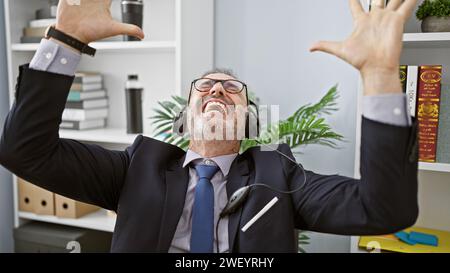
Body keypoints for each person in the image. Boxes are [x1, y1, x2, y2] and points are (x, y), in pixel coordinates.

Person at [0, 0, 419, 253]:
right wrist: (65, 42)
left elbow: (383, 209)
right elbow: (24, 150)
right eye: (205, 86)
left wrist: (380, 75)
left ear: (249, 120)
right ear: (184, 119)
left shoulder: (280, 175)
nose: (218, 89)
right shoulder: (136, 168)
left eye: (232, 88)